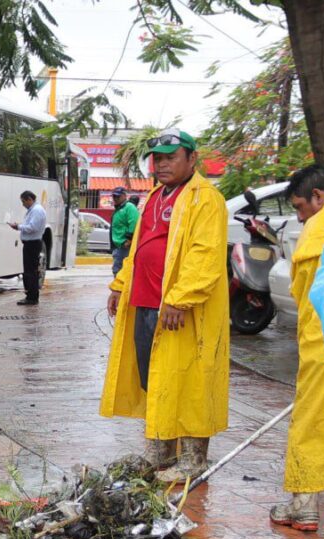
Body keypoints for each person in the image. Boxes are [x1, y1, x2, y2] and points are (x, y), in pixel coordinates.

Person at [100, 128, 229, 483]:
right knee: (153, 376)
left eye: (171, 157)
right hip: (144, 302)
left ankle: (193, 457)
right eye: (157, 158)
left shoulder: (206, 198)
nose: (162, 164)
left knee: (188, 379)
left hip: (178, 309)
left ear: (192, 159)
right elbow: (138, 249)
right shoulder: (154, 196)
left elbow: (205, 255)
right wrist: (120, 285)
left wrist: (180, 298)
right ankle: (161, 450)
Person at [265, 165, 324, 531]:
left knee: (310, 422)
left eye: (299, 207)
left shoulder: (318, 233)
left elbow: (301, 295)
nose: (299, 216)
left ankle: (303, 505)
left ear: (319, 197)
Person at [8, 190, 47, 305]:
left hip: (32, 244)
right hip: (31, 243)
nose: (23, 204)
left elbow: (32, 227)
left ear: (30, 199)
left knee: (31, 271)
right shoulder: (34, 210)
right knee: (30, 271)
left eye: (23, 201)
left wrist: (18, 227)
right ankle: (30, 296)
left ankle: (32, 297)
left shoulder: (37, 211)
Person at [110, 186, 139, 277]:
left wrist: (129, 239)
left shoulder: (129, 207)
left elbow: (134, 223)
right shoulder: (118, 208)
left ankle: (120, 290)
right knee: (118, 269)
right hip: (118, 244)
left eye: (118, 196)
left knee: (119, 270)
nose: (115, 199)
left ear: (124, 196)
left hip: (124, 244)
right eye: (114, 196)